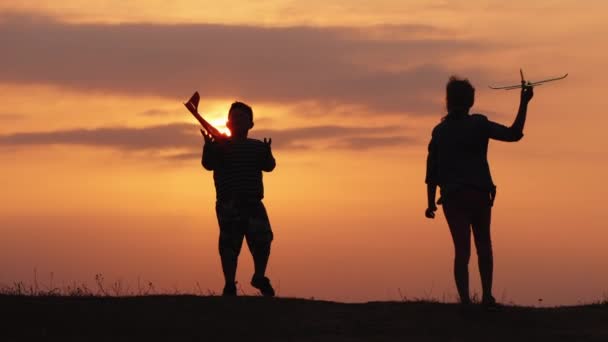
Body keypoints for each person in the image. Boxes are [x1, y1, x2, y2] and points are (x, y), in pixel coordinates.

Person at [425, 76, 534, 307]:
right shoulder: (479, 124)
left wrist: (430, 202)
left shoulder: (439, 131)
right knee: (484, 246)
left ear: (448, 101)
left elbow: (431, 171)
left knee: (461, 251)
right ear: (471, 101)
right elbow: (514, 134)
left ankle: (465, 300)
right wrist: (524, 103)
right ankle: (487, 297)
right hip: (479, 195)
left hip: (454, 198)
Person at [201, 101, 276, 297]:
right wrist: (208, 148)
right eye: (235, 118)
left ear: (251, 124)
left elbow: (269, 167)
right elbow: (208, 165)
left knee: (263, 240)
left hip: (253, 203)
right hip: (229, 204)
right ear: (228, 123)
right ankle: (229, 285)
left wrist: (267, 153)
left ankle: (259, 276)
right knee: (229, 245)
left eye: (243, 118)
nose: (238, 121)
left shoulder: (258, 147)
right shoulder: (219, 145)